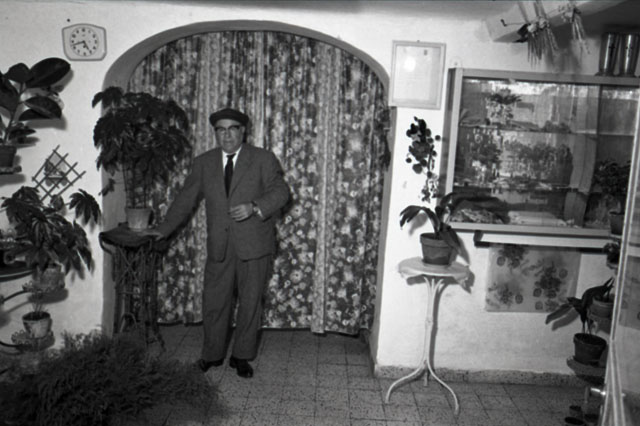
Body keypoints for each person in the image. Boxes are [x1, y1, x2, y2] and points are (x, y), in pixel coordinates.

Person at [147, 107, 290, 378]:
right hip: (220, 246)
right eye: (221, 130)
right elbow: (185, 199)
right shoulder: (204, 162)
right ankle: (211, 355)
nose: (227, 135)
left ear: (242, 131)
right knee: (214, 302)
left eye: (232, 129)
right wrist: (163, 230)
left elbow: (281, 191)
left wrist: (254, 206)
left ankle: (241, 356)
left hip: (255, 244)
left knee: (250, 303)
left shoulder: (263, 158)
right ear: (215, 133)